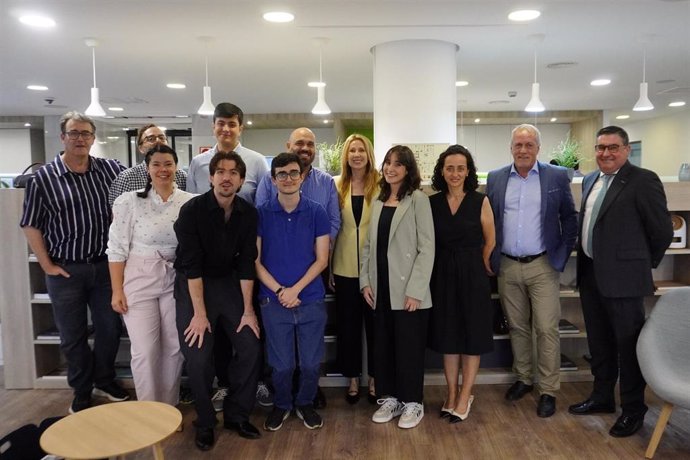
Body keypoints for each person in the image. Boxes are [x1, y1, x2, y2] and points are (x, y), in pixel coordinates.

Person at [20, 111, 129, 414]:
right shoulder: (44, 177)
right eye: (74, 133)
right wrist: (46, 264)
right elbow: (30, 224)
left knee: (109, 328)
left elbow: (135, 191)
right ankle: (81, 389)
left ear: (94, 138)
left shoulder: (109, 170)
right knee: (73, 335)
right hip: (65, 269)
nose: (80, 138)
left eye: (86, 133)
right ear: (63, 137)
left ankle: (105, 381)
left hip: (105, 267)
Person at [568, 126, 673, 438]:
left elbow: (662, 232)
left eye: (613, 147)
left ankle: (633, 409)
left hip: (625, 281)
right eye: (600, 148)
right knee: (598, 344)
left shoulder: (643, 180)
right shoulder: (590, 180)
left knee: (628, 347)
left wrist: (640, 264)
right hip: (590, 277)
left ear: (626, 149)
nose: (605, 153)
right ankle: (602, 397)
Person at [485, 124, 577, 418]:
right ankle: (524, 378)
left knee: (547, 328)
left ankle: (548, 389)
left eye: (529, 145)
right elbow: (491, 221)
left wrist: (559, 258)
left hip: (543, 265)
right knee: (517, 327)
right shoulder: (496, 178)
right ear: (510, 148)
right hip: (508, 265)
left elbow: (569, 220)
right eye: (518, 145)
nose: (523, 150)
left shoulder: (556, 176)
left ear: (538, 148)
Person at [174, 151, 262, 450]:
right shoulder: (192, 211)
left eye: (234, 172)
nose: (227, 177)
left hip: (229, 284)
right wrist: (199, 315)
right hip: (194, 286)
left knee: (250, 344)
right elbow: (191, 265)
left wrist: (248, 311)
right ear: (210, 177)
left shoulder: (248, 213)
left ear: (241, 179)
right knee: (198, 356)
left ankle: (237, 414)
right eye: (221, 171)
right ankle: (206, 421)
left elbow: (247, 263)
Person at [186, 102, 271, 410]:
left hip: (243, 261)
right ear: (214, 126)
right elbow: (194, 205)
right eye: (220, 123)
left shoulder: (257, 162)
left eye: (231, 123)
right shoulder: (197, 163)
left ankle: (250, 387)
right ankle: (222, 385)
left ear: (240, 127)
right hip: (205, 264)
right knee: (215, 335)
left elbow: (260, 209)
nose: (225, 128)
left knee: (248, 329)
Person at [256, 127, 341, 409]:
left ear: (302, 176)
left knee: (310, 362)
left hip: (309, 296)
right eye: (282, 174)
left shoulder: (316, 210)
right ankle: (282, 406)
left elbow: (321, 259)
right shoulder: (262, 213)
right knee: (280, 364)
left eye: (294, 173)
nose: (288, 178)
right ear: (273, 179)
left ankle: (304, 404)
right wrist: (282, 290)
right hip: (273, 297)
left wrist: (296, 290)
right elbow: (255, 260)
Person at [107, 144, 194, 407]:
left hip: (175, 279)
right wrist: (117, 290)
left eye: (168, 163)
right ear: (147, 168)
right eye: (156, 164)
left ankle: (168, 408)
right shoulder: (129, 202)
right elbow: (116, 248)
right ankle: (148, 411)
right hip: (139, 277)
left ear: (176, 167)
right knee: (145, 350)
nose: (162, 169)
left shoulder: (190, 202)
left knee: (174, 347)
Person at [360, 145, 435, 430]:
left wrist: (416, 290)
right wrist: (365, 281)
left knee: (409, 349)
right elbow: (368, 247)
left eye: (397, 164)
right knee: (384, 348)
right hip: (380, 290)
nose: (390, 168)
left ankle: (413, 403)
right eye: (387, 163)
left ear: (408, 170)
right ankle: (390, 398)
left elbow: (427, 249)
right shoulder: (378, 200)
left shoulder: (418, 200)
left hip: (408, 293)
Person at [428, 145, 495, 423]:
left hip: (472, 274)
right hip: (441, 274)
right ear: (441, 171)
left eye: (460, 168)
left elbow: (490, 240)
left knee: (471, 338)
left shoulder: (480, 201)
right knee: (448, 338)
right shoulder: (430, 202)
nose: (455, 173)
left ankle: (466, 394)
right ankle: (452, 392)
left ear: (468, 171)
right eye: (449, 168)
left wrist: (478, 265)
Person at [331, 134, 379, 405]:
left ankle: (374, 378)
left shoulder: (381, 184)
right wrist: (328, 268)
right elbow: (332, 228)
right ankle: (351, 379)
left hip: (374, 269)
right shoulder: (337, 185)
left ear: (368, 153)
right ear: (346, 156)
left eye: (361, 150)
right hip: (344, 266)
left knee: (375, 327)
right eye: (352, 151)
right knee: (347, 327)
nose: (357, 155)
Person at [108, 124, 187, 206]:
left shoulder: (181, 176)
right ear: (140, 148)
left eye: (162, 138)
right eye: (151, 139)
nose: (158, 141)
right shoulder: (127, 178)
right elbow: (117, 210)